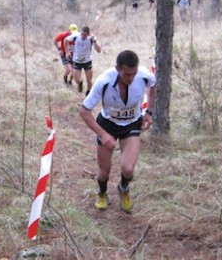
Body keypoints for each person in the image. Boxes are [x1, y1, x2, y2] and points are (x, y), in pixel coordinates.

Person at [79, 50, 156, 213]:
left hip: (132, 124)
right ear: (117, 68)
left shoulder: (144, 76)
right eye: (127, 74)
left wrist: (149, 112)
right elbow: (84, 111)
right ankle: (102, 193)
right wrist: (103, 134)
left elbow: (153, 86)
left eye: (133, 74)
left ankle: (123, 188)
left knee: (128, 169)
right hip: (108, 125)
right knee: (104, 172)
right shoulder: (104, 81)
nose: (131, 78)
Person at [65, 25, 101, 95]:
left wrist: (95, 42)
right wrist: (67, 52)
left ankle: (88, 93)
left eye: (85, 35)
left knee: (89, 80)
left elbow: (99, 50)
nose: (83, 36)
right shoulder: (76, 36)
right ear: (80, 32)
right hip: (77, 61)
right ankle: (80, 83)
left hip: (87, 61)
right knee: (77, 79)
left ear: (88, 34)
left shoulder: (91, 38)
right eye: (82, 34)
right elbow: (66, 40)